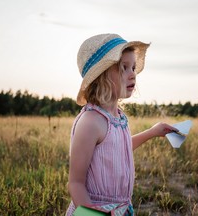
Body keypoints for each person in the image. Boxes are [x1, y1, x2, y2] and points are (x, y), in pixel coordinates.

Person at [66, 33, 179, 215]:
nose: (133, 74)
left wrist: (152, 132)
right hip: (93, 209)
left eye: (133, 67)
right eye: (124, 68)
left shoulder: (118, 117)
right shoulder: (90, 122)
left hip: (120, 209)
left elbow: (119, 149)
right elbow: (75, 183)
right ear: (101, 76)